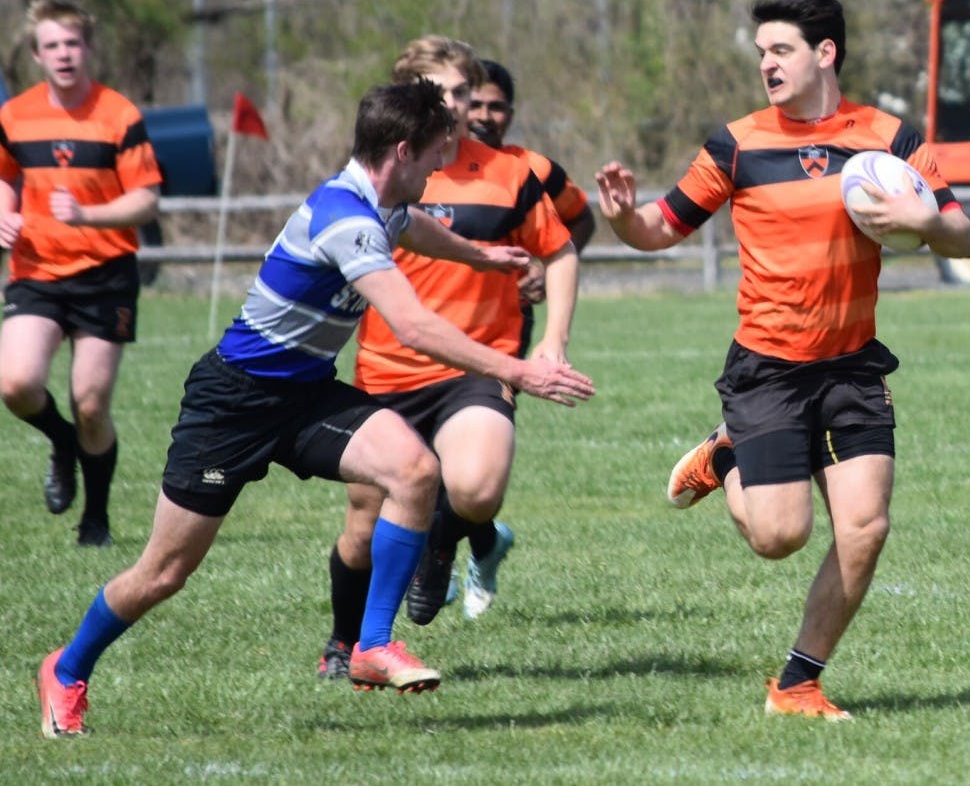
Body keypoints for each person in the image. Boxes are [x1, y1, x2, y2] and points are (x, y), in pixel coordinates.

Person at [35, 79, 594, 737]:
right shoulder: (345, 218)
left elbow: (412, 227)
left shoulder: (383, 202)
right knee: (163, 574)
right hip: (233, 404)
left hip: (304, 394)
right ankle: (66, 668)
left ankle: (371, 645)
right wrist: (519, 370)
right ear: (403, 151)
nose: (441, 169)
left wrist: (480, 255)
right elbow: (413, 325)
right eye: (434, 155)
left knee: (414, 470)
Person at [595, 0, 970, 721]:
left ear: (824, 53)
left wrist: (925, 219)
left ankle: (798, 684)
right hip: (769, 367)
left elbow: (965, 238)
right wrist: (622, 219)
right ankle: (726, 457)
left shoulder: (890, 138)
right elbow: (660, 227)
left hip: (853, 363)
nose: (766, 64)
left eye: (780, 50)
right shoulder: (736, 143)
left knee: (865, 528)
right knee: (779, 536)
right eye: (761, 52)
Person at [318, 38, 584, 678]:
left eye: (465, 92)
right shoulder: (384, 175)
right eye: (446, 93)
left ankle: (439, 540)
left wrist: (552, 340)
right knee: (363, 525)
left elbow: (561, 248)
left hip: (478, 366)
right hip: (386, 370)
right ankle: (343, 644)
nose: (460, 105)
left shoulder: (509, 172)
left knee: (478, 488)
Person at [0, 0, 163, 547]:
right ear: (37, 55)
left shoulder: (118, 114)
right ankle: (62, 441)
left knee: (91, 405)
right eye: (52, 45)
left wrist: (87, 215)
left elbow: (146, 199)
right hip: (37, 271)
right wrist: (4, 213)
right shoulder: (15, 115)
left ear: (88, 48)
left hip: (105, 274)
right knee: (15, 384)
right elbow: (4, 175)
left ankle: (95, 519)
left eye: (72, 43)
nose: (64, 54)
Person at [468, 59, 596, 357]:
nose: (484, 116)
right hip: (437, 313)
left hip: (507, 322)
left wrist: (545, 270)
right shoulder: (428, 165)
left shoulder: (534, 169)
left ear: (510, 115)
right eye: (475, 105)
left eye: (495, 107)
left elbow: (582, 219)